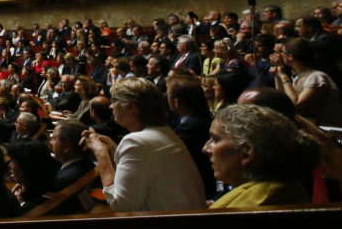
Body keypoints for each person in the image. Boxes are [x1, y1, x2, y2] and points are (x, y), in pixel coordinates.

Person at [81, 78, 205, 212]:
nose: (110, 106)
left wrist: (100, 153)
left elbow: (121, 205)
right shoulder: (164, 132)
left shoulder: (136, 142)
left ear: (131, 107)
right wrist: (112, 149)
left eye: (114, 101)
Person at [205, 104, 319, 208]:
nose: (205, 149)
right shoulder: (283, 190)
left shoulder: (254, 204)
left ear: (246, 152)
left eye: (215, 139)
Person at [273, 37, 342, 126]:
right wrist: (278, 76)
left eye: (282, 52)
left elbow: (295, 104)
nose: (280, 55)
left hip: (328, 130)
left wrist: (284, 78)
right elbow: (282, 99)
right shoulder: (299, 77)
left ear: (290, 56)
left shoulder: (316, 77)